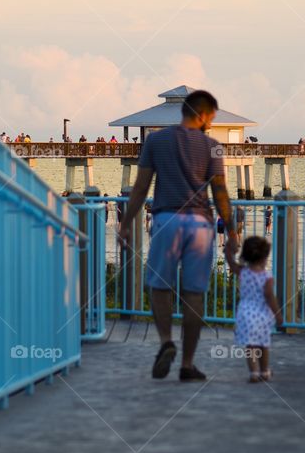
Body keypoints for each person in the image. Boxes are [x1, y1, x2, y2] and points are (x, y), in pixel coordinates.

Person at [118, 89, 238, 381]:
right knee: (194, 293)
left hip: (166, 219)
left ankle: (165, 342)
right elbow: (220, 192)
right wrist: (232, 230)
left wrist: (125, 224)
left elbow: (141, 187)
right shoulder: (213, 146)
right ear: (206, 114)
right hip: (200, 224)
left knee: (159, 286)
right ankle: (187, 364)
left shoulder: (155, 141)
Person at [228, 236, 282, 382]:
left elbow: (231, 264)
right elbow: (269, 296)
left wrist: (228, 251)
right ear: (265, 257)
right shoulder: (267, 277)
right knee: (264, 344)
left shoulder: (243, 272)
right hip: (262, 315)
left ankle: (253, 372)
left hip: (245, 313)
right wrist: (278, 314)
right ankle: (264, 371)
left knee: (250, 346)